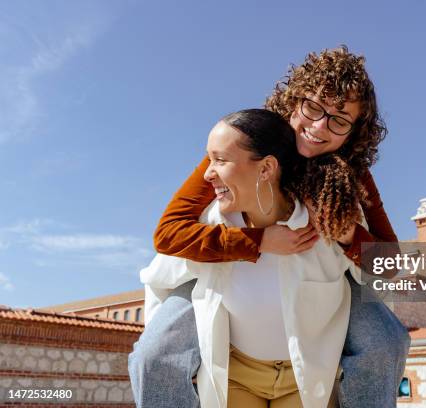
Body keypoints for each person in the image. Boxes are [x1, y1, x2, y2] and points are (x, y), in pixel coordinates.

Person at [130, 46, 408, 407]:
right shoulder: (247, 142)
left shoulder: (354, 174)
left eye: (339, 120)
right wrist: (259, 241)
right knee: (155, 353)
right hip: (214, 271)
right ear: (294, 100)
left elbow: (391, 261)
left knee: (388, 340)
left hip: (325, 276)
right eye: (313, 107)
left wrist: (348, 235)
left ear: (354, 132)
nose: (319, 127)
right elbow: (169, 232)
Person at [134, 109, 367, 408]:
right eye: (209, 159)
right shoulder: (208, 228)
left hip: (308, 379)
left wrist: (347, 233)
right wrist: (172, 354)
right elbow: (157, 280)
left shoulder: (327, 219)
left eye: (220, 160)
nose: (207, 173)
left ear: (267, 167)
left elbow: (391, 273)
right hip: (235, 378)